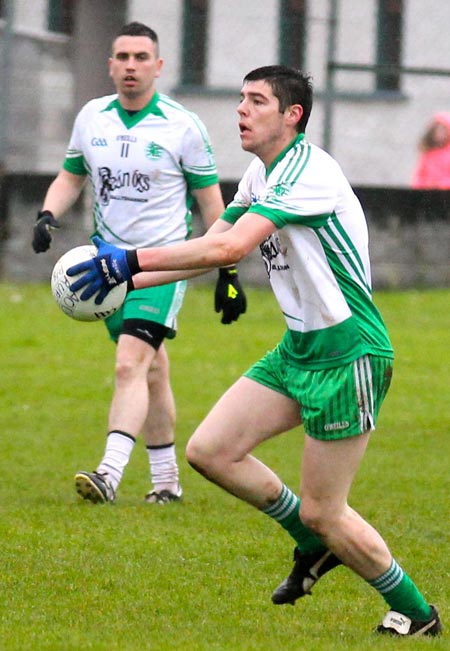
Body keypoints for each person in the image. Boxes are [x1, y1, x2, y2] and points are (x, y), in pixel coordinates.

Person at [67, 65, 441, 636]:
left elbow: (240, 242)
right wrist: (119, 278)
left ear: (292, 115)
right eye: (241, 98)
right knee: (212, 451)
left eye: (257, 101)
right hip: (298, 349)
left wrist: (130, 259)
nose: (241, 109)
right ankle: (314, 545)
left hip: (349, 355)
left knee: (325, 508)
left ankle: (418, 615)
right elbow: (218, 247)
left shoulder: (310, 172)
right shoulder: (260, 175)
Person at [31, 22, 246, 505]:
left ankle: (108, 473)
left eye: (141, 57)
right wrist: (48, 213)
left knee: (130, 364)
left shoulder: (182, 124)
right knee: (151, 372)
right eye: (122, 57)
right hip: (104, 267)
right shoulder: (92, 118)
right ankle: (167, 483)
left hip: (161, 265)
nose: (131, 66)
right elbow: (71, 176)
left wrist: (226, 272)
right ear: (111, 65)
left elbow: (212, 204)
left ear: (158, 66)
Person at [411, 112, 450, 189]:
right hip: (428, 194)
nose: (440, 133)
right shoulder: (427, 154)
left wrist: (440, 185)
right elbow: (419, 175)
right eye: (437, 130)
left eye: (443, 130)